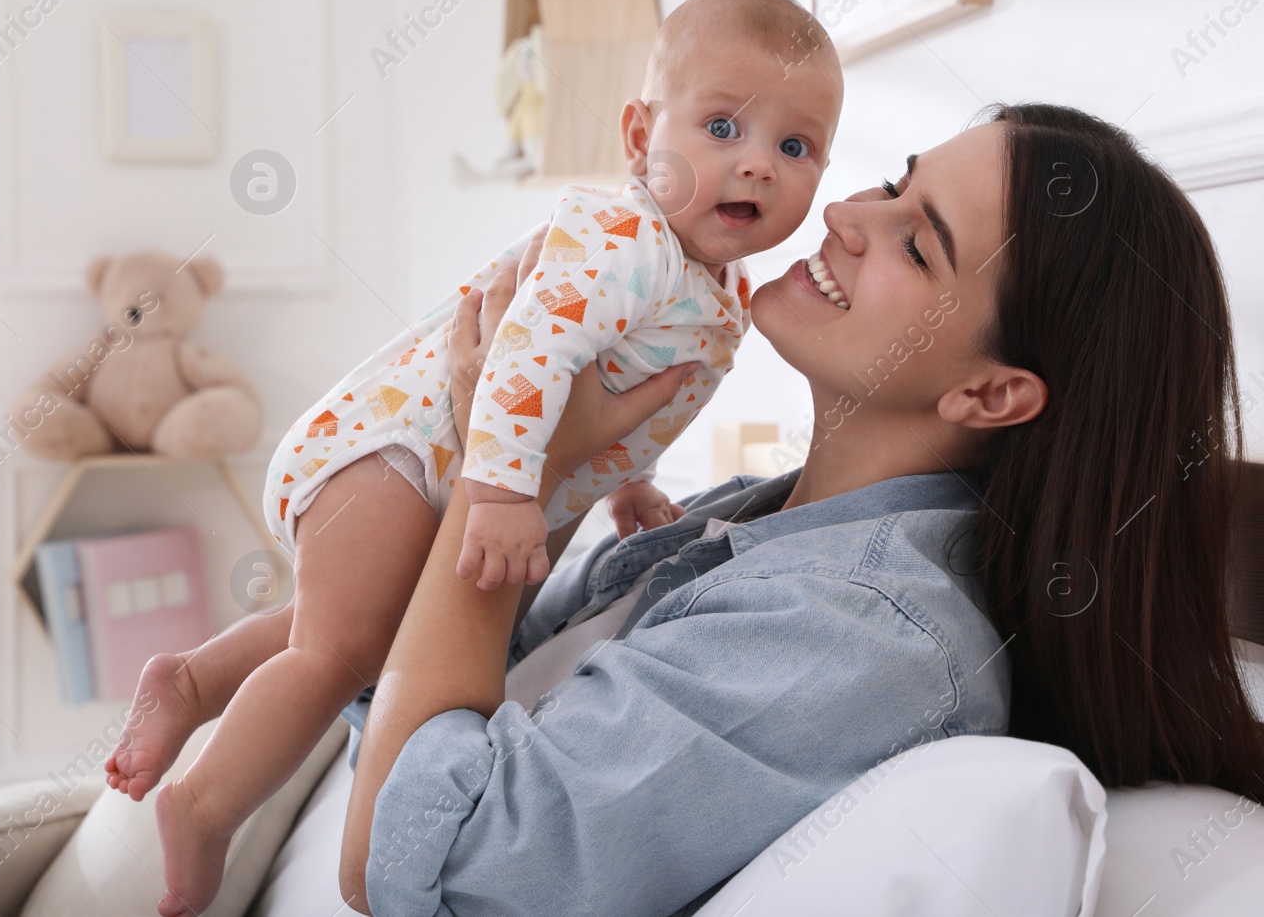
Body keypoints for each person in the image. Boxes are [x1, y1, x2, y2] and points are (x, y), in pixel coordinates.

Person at [338, 103, 1264, 916]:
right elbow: (431, 681)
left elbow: (422, 858)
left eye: (916, 242)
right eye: (894, 184)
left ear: (990, 395)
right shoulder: (763, 519)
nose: (844, 213)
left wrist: (508, 473)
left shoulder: (858, 635)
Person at [103, 0, 846, 916]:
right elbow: (531, 351)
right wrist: (499, 493)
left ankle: (192, 677)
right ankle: (205, 809)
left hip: (441, 462)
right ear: (639, 135)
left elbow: (622, 393)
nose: (758, 169)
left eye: (795, 146)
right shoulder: (628, 243)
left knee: (350, 633)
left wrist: (631, 485)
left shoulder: (714, 285)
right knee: (342, 650)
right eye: (724, 127)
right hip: (404, 450)